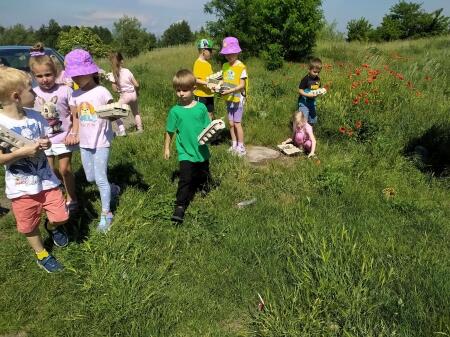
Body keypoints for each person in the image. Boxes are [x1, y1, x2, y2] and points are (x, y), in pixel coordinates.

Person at [0, 67, 69, 272]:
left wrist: (45, 144)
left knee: (62, 215)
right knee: (29, 226)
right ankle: (42, 255)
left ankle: (52, 226)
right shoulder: (1, 124)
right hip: (21, 187)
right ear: (16, 96)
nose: (35, 92)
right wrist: (20, 153)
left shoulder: (36, 116)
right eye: (31, 89)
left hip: (46, 180)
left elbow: (45, 137)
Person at [64, 49, 120, 232]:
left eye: (80, 73)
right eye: (74, 75)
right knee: (90, 177)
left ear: (91, 71)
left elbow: (114, 111)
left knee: (100, 178)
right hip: (85, 142)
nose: (77, 78)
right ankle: (113, 189)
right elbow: (76, 117)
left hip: (102, 140)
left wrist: (119, 125)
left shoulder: (102, 91)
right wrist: (74, 133)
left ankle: (106, 214)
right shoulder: (74, 95)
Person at [29, 45, 79, 212]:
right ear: (34, 76)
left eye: (48, 74)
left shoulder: (65, 90)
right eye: (40, 76)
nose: (45, 79)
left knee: (65, 169)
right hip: (45, 140)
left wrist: (74, 132)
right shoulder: (33, 93)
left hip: (64, 136)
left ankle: (73, 198)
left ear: (56, 73)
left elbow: (74, 114)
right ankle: (59, 194)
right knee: (50, 171)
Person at [164, 69, 211, 223]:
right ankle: (180, 206)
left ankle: (204, 186)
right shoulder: (175, 111)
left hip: (201, 150)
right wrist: (167, 148)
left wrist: (213, 134)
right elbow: (170, 131)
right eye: (178, 90)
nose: (181, 93)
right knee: (185, 179)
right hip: (185, 152)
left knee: (203, 172)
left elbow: (208, 129)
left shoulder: (201, 108)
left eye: (185, 90)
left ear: (193, 89)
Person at [219, 37, 248, 156]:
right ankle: (234, 144)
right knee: (230, 123)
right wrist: (217, 86)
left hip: (237, 99)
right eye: (226, 54)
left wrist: (230, 90)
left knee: (237, 123)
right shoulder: (225, 66)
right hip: (228, 98)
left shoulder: (241, 67)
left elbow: (242, 85)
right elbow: (223, 79)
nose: (228, 56)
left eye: (231, 54)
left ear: (237, 52)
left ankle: (241, 146)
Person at [109, 52, 142, 136]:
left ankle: (122, 131)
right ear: (122, 61)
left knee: (115, 112)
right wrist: (137, 92)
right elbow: (137, 85)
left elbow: (115, 90)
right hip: (133, 94)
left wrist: (112, 82)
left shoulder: (113, 74)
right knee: (136, 112)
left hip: (125, 96)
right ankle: (140, 129)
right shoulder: (127, 71)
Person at [193, 39, 216, 120]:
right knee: (201, 116)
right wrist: (206, 83)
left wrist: (216, 83)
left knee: (210, 114)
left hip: (209, 94)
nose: (211, 53)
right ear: (203, 51)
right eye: (210, 50)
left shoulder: (208, 64)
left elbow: (211, 78)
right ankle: (202, 131)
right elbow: (195, 80)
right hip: (201, 95)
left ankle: (210, 131)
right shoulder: (198, 63)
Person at [298, 57, 323, 125]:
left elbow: (318, 89)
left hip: (312, 102)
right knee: (303, 118)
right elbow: (300, 90)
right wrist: (308, 95)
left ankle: (309, 130)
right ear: (309, 69)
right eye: (314, 72)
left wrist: (320, 92)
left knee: (313, 118)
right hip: (304, 103)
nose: (316, 74)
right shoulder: (306, 79)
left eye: (318, 72)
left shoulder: (317, 79)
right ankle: (300, 132)